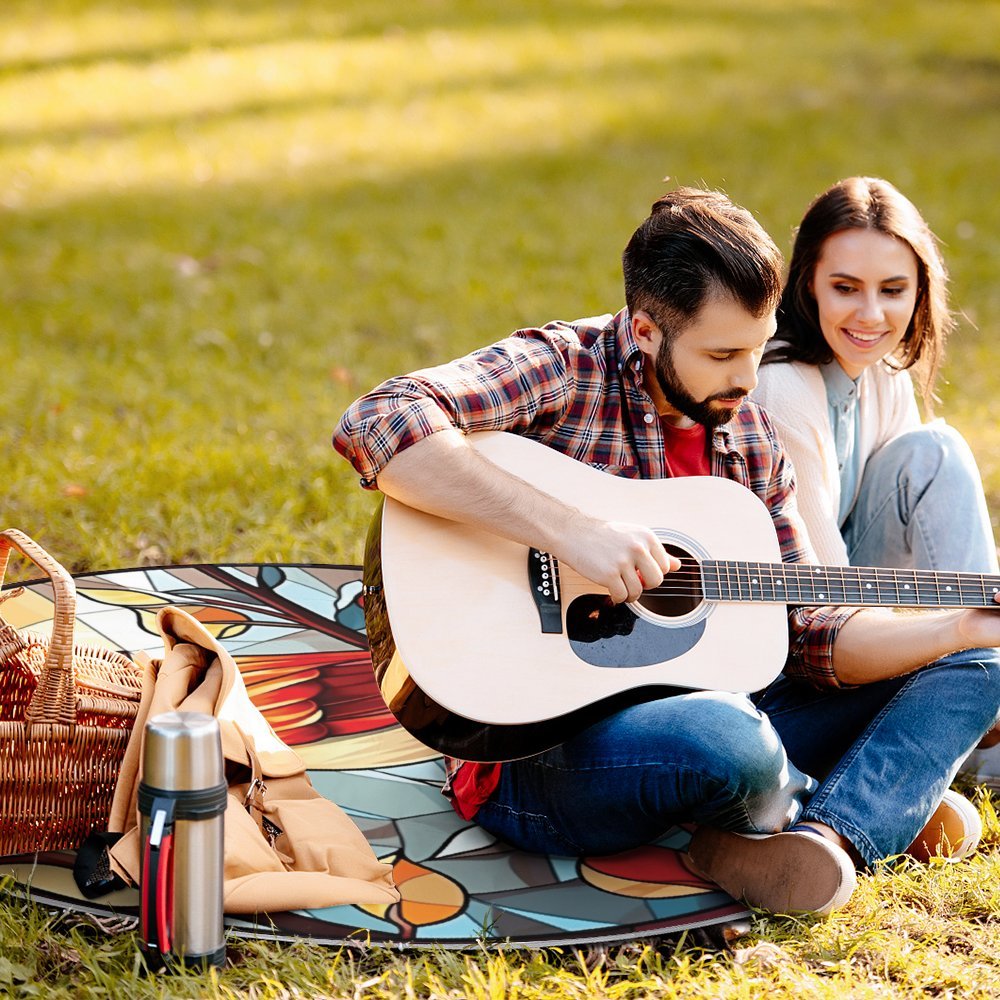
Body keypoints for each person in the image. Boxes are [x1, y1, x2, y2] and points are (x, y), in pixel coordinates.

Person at [333, 187, 1000, 916]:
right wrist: (569, 531)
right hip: (537, 754)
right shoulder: (564, 367)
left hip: (728, 708)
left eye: (757, 346)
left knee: (980, 664)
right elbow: (380, 419)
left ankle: (829, 837)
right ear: (646, 330)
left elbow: (809, 629)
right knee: (728, 741)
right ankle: (859, 797)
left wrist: (956, 628)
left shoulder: (748, 436)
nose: (748, 380)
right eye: (722, 354)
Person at [753, 176, 1000, 787]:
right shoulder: (783, 386)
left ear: (920, 291)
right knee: (937, 450)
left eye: (893, 290)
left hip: (857, 612)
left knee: (931, 451)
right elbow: (823, 602)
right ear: (807, 281)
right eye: (845, 288)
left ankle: (979, 694)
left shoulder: (881, 369)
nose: (871, 315)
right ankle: (976, 724)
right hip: (793, 647)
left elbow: (920, 550)